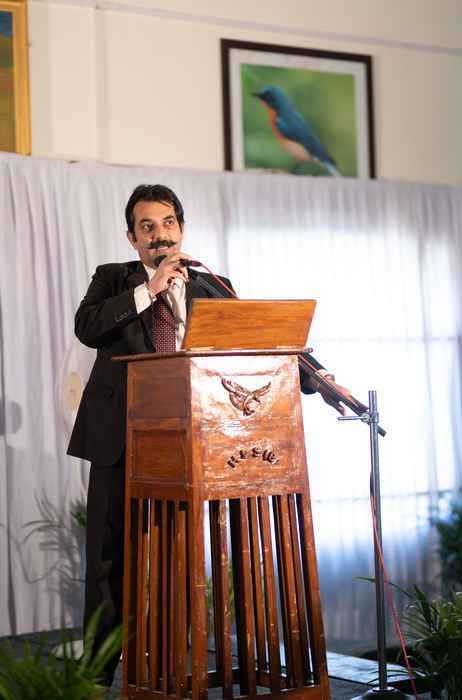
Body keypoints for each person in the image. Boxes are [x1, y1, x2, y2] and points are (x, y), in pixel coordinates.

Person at [67, 183, 348, 685]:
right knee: (109, 562)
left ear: (181, 229)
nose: (159, 235)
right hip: (120, 439)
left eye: (168, 223)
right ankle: (95, 678)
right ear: (132, 237)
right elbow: (87, 328)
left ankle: (170, 669)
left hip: (189, 442)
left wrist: (320, 379)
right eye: (147, 227)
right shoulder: (113, 279)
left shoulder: (211, 285)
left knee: (177, 560)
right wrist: (149, 289)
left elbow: (259, 336)